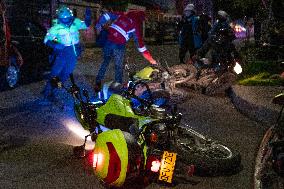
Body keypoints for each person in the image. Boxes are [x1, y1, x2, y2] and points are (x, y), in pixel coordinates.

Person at [94, 10, 157, 90]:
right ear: (141, 18)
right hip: (119, 45)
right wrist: (151, 59)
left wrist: (99, 24)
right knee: (118, 67)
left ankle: (97, 82)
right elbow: (141, 46)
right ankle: (118, 87)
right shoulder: (136, 25)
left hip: (109, 40)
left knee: (105, 62)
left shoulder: (123, 15)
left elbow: (107, 15)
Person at [41, 6, 91, 103]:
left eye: (68, 18)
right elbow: (46, 40)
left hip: (73, 53)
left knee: (65, 74)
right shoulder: (55, 28)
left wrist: (88, 16)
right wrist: (55, 45)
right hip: (62, 53)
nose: (66, 20)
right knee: (54, 74)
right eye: (64, 19)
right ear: (60, 18)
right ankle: (47, 93)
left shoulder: (75, 22)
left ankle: (53, 89)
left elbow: (86, 25)